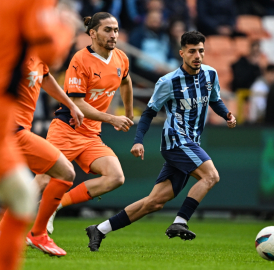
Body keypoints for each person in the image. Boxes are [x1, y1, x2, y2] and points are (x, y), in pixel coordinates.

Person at [84, 31, 237, 252]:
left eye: (201, 51)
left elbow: (214, 100)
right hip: (176, 141)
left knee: (153, 202)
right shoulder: (168, 81)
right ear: (182, 53)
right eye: (192, 51)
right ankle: (180, 221)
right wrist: (138, 140)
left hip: (192, 143)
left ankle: (100, 229)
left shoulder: (210, 75)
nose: (197, 55)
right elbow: (148, 113)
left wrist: (227, 115)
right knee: (211, 175)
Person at [0, 0, 76, 269]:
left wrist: (71, 103)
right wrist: (66, 25)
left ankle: (28, 237)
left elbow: (44, 69)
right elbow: (52, 50)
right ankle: (37, 234)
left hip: (0, 118)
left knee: (21, 194)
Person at [38, 12, 134, 235]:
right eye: (107, 30)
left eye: (116, 30)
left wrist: (128, 114)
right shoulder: (80, 59)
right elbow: (77, 103)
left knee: (115, 177)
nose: (114, 35)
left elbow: (126, 82)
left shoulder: (121, 57)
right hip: (66, 128)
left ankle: (55, 205)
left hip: (90, 135)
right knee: (43, 179)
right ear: (92, 33)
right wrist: (113, 118)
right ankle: (0, 231)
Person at [0, 55, 84, 257]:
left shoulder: (37, 54)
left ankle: (2, 235)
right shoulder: (12, 51)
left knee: (25, 190)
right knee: (64, 172)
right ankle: (37, 234)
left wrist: (70, 105)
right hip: (10, 130)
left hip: (16, 131)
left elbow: (45, 77)